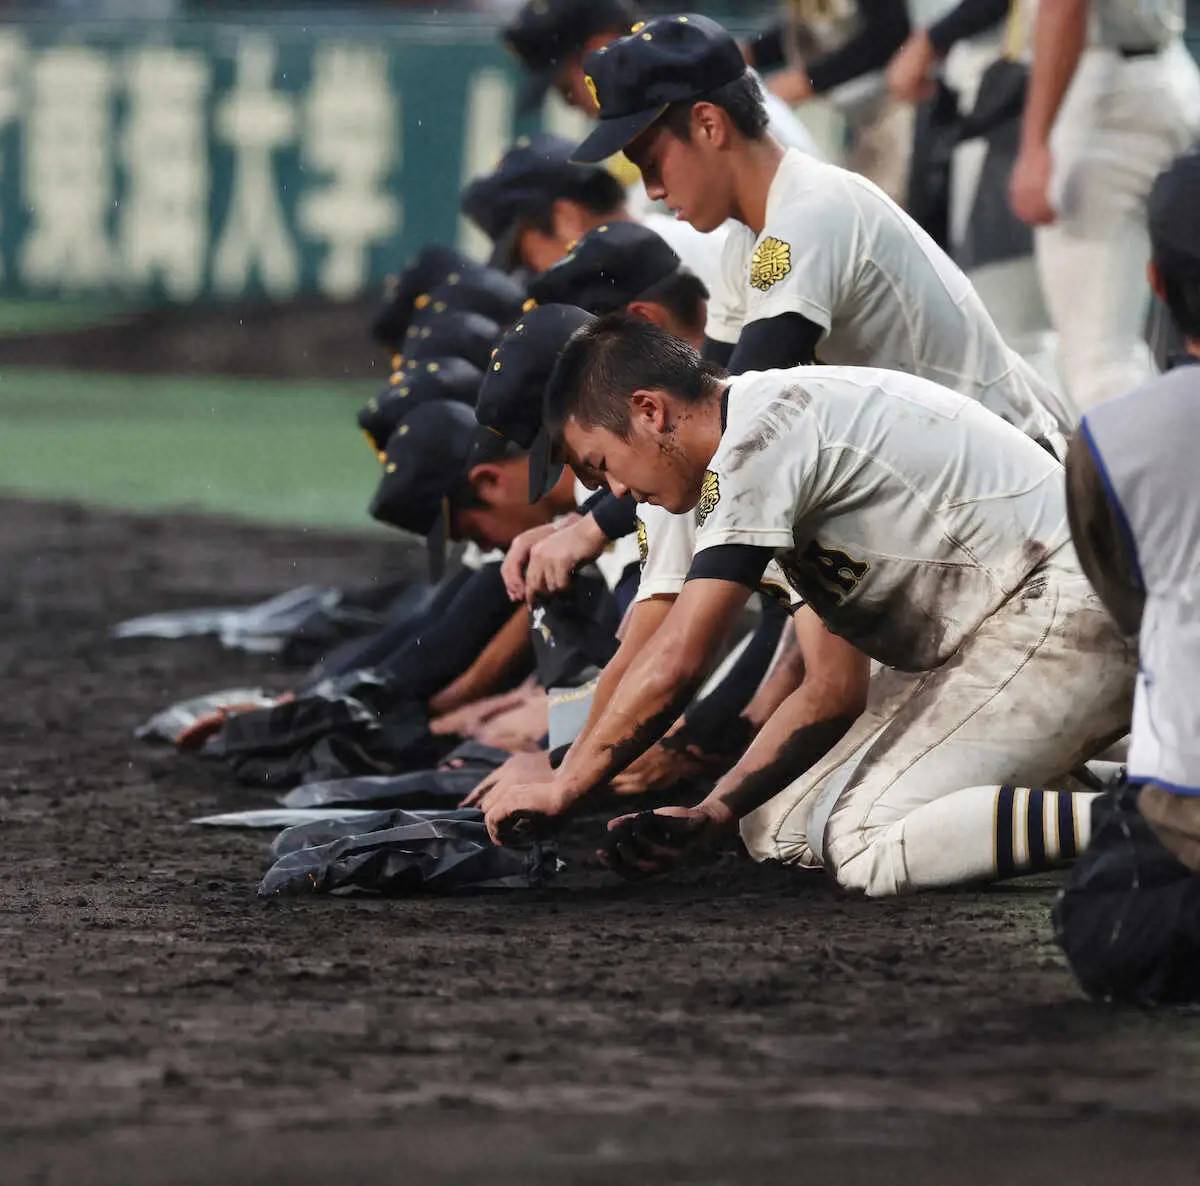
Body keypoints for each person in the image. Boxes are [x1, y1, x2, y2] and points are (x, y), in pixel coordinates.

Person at [482, 316, 1137, 898]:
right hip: (1007, 626)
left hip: (1064, 610)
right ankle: (1131, 786)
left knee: (863, 841)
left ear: (650, 411)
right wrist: (714, 810)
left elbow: (678, 660)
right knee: (779, 825)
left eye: (604, 466)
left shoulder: (756, 444)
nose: (619, 492)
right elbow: (831, 691)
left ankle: (1158, 821)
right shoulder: (757, 444)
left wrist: (568, 786)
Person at [570, 12, 1074, 445]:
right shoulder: (746, 239)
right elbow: (709, 392)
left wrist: (596, 525)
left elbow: (733, 417)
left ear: (708, 125)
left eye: (653, 162)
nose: (652, 190)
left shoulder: (810, 208)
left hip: (1022, 474)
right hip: (961, 472)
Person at [1053, 150, 1200, 1004]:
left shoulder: (1113, 435)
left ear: (1155, 277)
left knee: (1106, 923)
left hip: (1185, 804)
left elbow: (1133, 608)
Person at [1009, 0, 1200, 412]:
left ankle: (1144, 475)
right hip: (1164, 75)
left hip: (1101, 97)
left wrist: (1034, 143)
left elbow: (1063, 6)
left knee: (1098, 360)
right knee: (1149, 344)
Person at [501, 0, 822, 162]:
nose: (573, 107)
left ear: (599, 48)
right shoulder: (668, 98)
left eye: (568, 91)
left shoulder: (695, 95)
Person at [460, 133, 726, 292]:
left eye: (528, 256)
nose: (536, 273)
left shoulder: (633, 283)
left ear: (566, 219)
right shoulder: (692, 244)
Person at [742, 0, 915, 205]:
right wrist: (751, 52)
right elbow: (817, 29)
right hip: (840, 116)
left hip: (889, 109)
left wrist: (808, 81)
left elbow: (888, 32)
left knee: (881, 211)